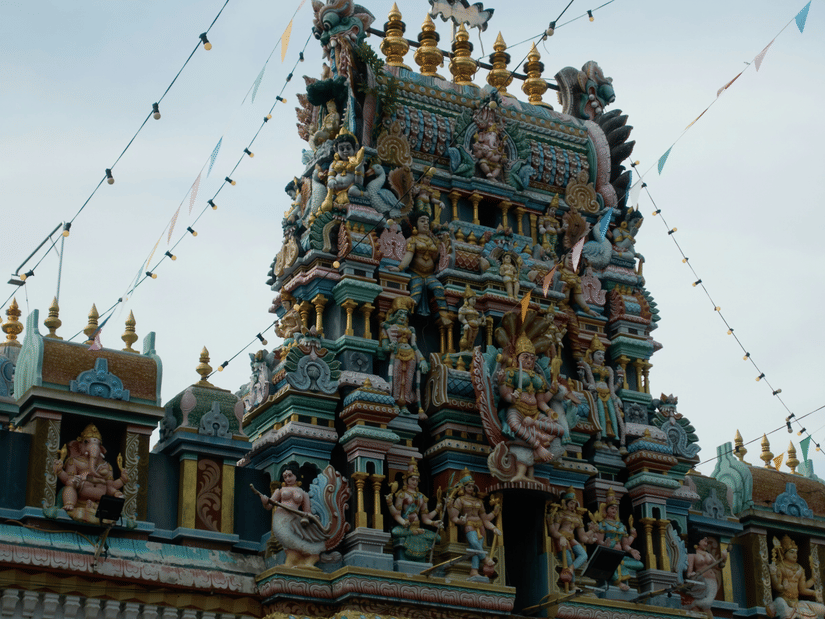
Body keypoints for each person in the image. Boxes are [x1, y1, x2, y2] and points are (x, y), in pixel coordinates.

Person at [497, 335, 566, 482]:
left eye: (532, 358)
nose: (529, 361)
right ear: (517, 358)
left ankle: (535, 429)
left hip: (534, 414)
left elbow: (541, 401)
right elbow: (505, 395)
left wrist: (550, 406)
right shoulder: (512, 373)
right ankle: (537, 446)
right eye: (525, 357)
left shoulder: (539, 378)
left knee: (560, 430)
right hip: (517, 409)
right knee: (514, 425)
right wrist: (508, 393)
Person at [53, 424, 128, 524]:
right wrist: (59, 471)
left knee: (114, 499)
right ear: (79, 445)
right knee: (69, 486)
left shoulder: (106, 466)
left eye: (97, 444)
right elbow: (67, 479)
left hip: (99, 504)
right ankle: (69, 504)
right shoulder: (74, 461)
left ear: (101, 448)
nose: (94, 447)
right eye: (87, 442)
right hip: (79, 499)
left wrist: (122, 480)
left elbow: (110, 487)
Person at [388, 208, 450, 324]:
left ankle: (443, 315)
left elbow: (437, 258)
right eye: (422, 221)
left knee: (439, 288)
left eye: (427, 221)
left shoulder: (433, 241)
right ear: (416, 223)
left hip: (430, 275)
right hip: (415, 273)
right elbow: (409, 256)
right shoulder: (412, 240)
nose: (425, 223)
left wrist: (442, 242)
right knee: (416, 294)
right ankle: (403, 317)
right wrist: (400, 268)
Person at [258, 468, 324, 568]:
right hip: (281, 518)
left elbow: (307, 511)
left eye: (290, 475)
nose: (287, 479)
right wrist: (264, 501)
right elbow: (269, 506)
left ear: (296, 476)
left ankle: (305, 559)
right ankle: (292, 561)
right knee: (287, 538)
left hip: (294, 518)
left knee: (299, 538)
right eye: (285, 477)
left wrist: (309, 517)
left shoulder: (303, 493)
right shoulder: (280, 490)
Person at [447, 469, 502, 580]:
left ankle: (474, 570)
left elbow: (485, 519)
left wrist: (494, 527)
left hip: (480, 525)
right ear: (463, 487)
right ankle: (485, 558)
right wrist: (456, 516)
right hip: (469, 524)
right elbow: (453, 517)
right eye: (468, 486)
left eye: (472, 486)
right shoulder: (460, 500)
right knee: (473, 542)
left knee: (475, 547)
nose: (471, 488)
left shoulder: (478, 501)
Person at [380, 296, 429, 416]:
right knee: (396, 377)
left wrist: (422, 359)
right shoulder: (387, 328)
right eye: (400, 313)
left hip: (410, 355)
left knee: (408, 380)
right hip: (396, 355)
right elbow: (385, 347)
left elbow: (414, 346)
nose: (403, 316)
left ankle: (405, 404)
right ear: (395, 314)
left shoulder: (410, 329)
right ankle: (395, 402)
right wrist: (390, 347)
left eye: (405, 314)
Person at [386, 459, 443, 562]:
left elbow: (425, 518)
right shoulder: (401, 494)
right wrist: (391, 505)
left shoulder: (422, 497)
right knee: (395, 531)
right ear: (406, 480)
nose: (415, 482)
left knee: (437, 537)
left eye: (417, 480)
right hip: (406, 527)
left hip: (418, 527)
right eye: (412, 479)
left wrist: (434, 521)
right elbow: (396, 514)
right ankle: (413, 532)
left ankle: (416, 532)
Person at [590, 488, 643, 591]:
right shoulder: (603, 524)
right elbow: (598, 541)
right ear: (606, 510)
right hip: (607, 553)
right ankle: (618, 582)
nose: (614, 511)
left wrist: (632, 550)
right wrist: (604, 544)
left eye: (615, 509)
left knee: (639, 564)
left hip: (620, 556)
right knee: (611, 562)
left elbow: (625, 545)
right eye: (612, 508)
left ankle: (619, 564)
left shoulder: (621, 526)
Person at [578, 335, 624, 449]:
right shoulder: (589, 367)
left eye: (602, 354)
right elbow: (587, 384)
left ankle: (611, 442)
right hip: (596, 394)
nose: (601, 357)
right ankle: (600, 439)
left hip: (608, 394)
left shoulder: (608, 369)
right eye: (598, 354)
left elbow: (612, 387)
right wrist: (582, 378)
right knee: (600, 415)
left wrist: (619, 382)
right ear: (592, 355)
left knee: (612, 416)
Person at [767, 536, 825, 619]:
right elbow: (776, 586)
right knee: (781, 605)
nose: (795, 554)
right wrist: (783, 587)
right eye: (791, 552)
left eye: (796, 552)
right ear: (783, 553)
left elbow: (802, 589)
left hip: (796, 603)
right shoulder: (780, 567)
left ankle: (795, 613)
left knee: (822, 609)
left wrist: (814, 591)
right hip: (784, 601)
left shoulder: (800, 568)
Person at [548, 487, 596, 585]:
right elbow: (554, 532)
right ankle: (572, 585)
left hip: (571, 539)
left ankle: (570, 569)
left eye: (574, 503)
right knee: (568, 559)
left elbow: (582, 537)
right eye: (570, 503)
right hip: (561, 538)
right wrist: (561, 537)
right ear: (565, 503)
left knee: (583, 555)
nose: (573, 506)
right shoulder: (560, 514)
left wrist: (591, 536)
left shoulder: (578, 518)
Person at [458, 285, 482, 352]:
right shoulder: (464, 308)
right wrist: (465, 323)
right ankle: (464, 349)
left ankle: (470, 349)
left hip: (476, 327)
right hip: (468, 327)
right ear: (467, 300)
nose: (474, 301)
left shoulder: (475, 311)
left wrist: (482, 321)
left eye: (475, 299)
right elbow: (461, 318)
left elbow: (478, 320)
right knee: (467, 339)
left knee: (472, 340)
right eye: (472, 299)